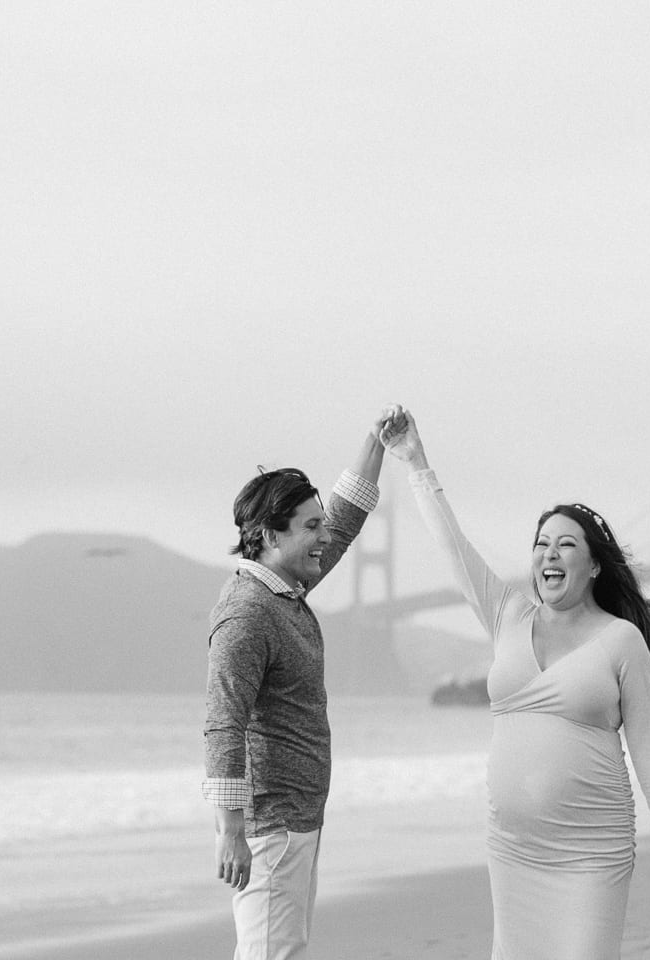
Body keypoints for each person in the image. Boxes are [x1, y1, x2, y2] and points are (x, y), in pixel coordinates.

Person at [378, 405, 650, 960]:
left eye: (566, 544)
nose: (549, 554)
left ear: (594, 567)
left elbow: (646, 740)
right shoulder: (507, 615)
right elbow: (454, 546)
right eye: (541, 543)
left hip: (591, 850)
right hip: (514, 847)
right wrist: (414, 459)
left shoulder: (620, 641)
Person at [202, 410, 392, 960]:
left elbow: (346, 520)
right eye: (310, 527)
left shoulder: (285, 590)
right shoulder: (248, 614)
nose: (322, 536)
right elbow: (223, 723)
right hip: (270, 830)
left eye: (318, 523)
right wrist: (231, 831)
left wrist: (374, 443)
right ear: (267, 536)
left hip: (298, 819)